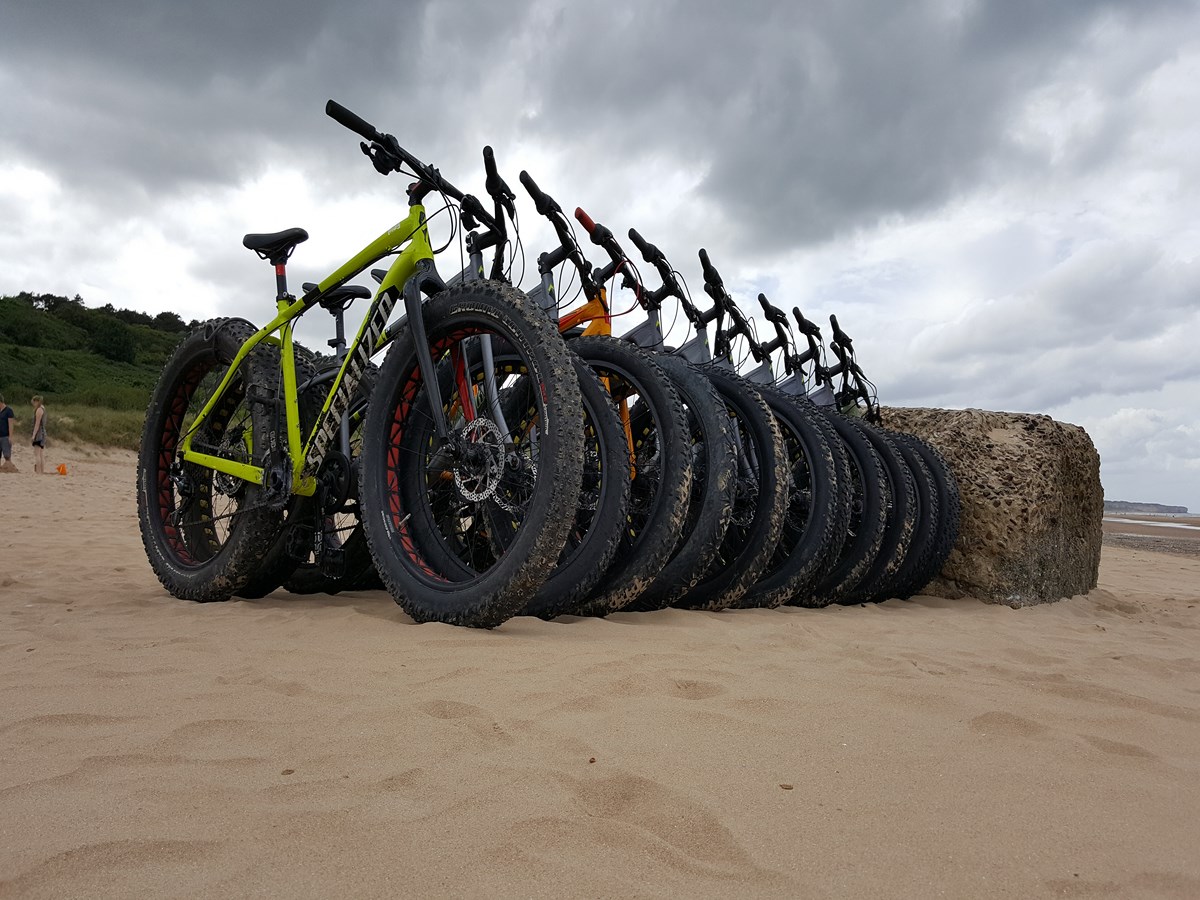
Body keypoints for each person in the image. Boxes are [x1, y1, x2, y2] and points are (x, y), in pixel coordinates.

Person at [30, 395, 46, 475]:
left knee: (37, 454)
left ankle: (39, 472)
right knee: (41, 454)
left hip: (39, 434)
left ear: (36, 401)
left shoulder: (39, 410)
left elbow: (37, 424)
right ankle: (42, 471)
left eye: (33, 403)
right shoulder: (43, 408)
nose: (33, 404)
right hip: (43, 433)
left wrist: (33, 436)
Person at [0, 393, 16, 472]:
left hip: (5, 436)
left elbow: (11, 424)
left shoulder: (9, 411)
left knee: (7, 455)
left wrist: (10, 436)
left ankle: (9, 470)